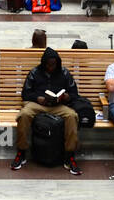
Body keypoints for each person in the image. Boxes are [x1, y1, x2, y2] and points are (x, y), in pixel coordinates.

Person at [11, 47, 82, 175]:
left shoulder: (64, 73)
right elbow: (25, 93)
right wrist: (37, 98)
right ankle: (21, 151)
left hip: (57, 105)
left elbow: (74, 94)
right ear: (44, 63)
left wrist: (66, 97)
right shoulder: (35, 72)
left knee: (72, 116)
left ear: (57, 63)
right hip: (38, 104)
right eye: (48, 65)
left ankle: (69, 155)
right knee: (24, 114)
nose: (51, 67)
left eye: (53, 65)